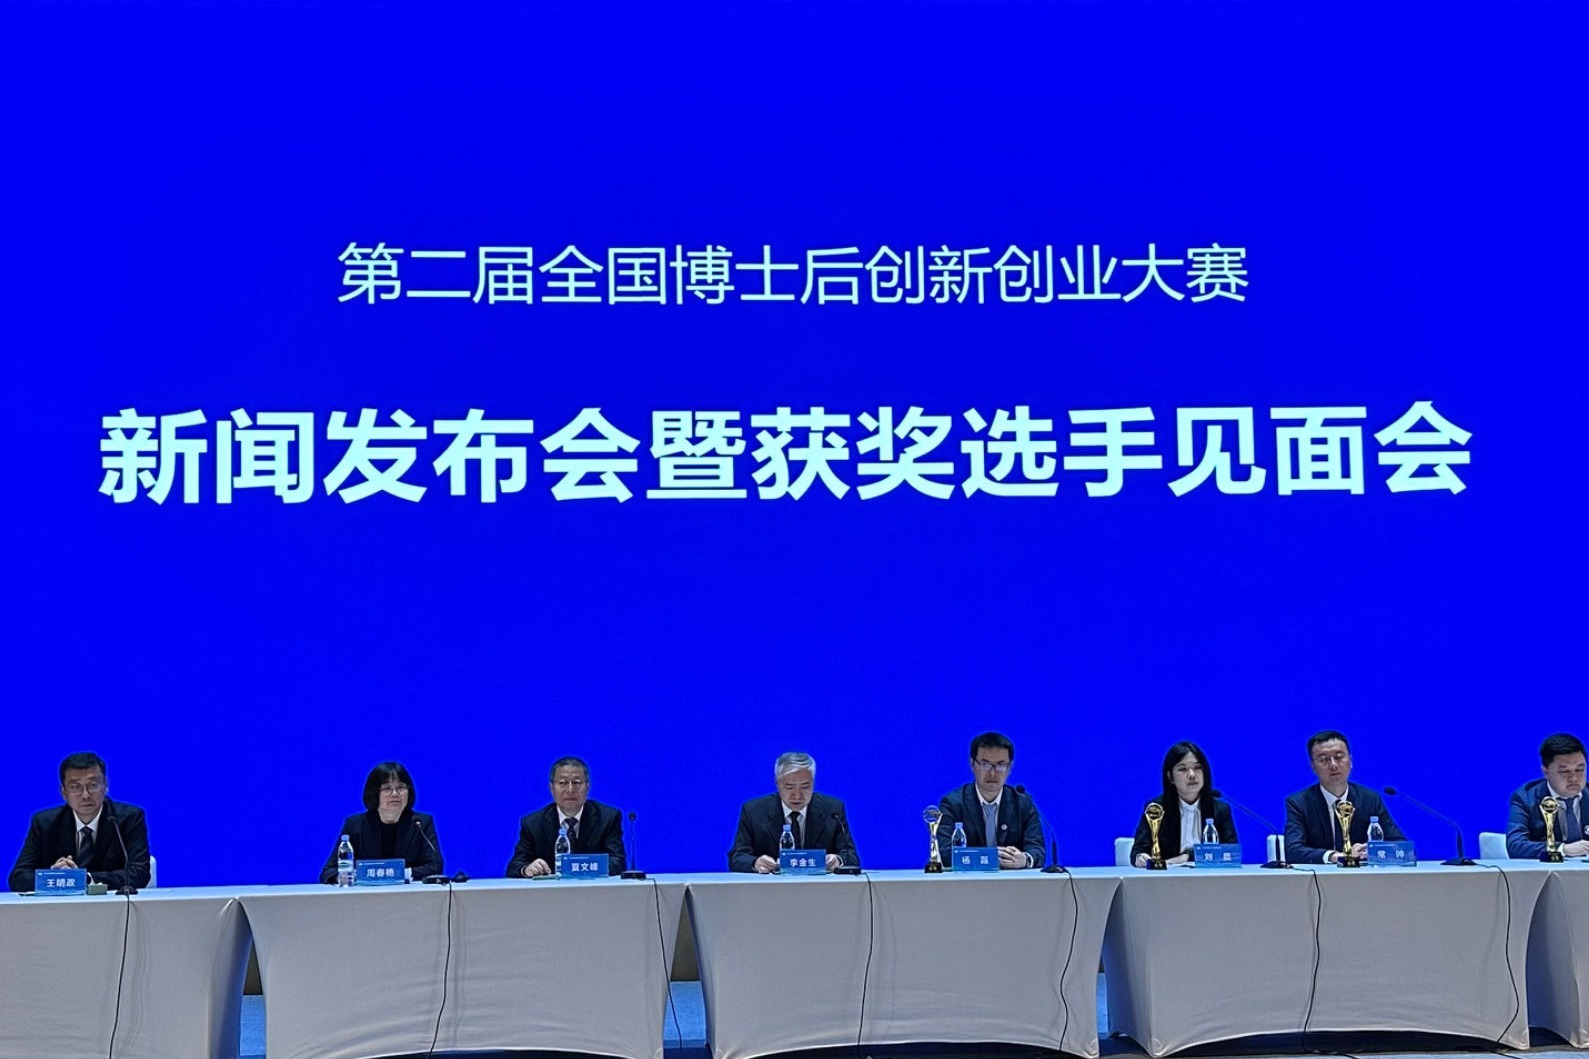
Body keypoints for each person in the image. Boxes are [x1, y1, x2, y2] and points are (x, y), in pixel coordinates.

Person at [7, 752, 151, 893]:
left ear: (106, 785)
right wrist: (53, 877)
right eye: (75, 787)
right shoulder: (45, 823)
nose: (86, 795)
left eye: (93, 785)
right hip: (61, 907)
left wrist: (83, 878)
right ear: (63, 792)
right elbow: (18, 878)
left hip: (112, 905)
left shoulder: (128, 818)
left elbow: (139, 873)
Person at [1284, 729, 1405, 864]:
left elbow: (1401, 847)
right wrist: (1333, 856)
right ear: (1313, 767)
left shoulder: (1370, 799)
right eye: (1323, 759)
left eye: (1339, 757)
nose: (1333, 765)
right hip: (1321, 875)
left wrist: (1371, 850)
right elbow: (1292, 851)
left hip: (1362, 875)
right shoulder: (1299, 803)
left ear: (1350, 761)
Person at [728, 751, 859, 873]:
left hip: (819, 887)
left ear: (813, 783)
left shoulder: (832, 809)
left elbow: (851, 856)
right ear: (777, 783)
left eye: (805, 786)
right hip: (771, 887)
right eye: (789, 787)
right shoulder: (754, 811)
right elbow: (737, 857)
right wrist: (755, 863)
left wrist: (837, 860)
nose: (797, 795)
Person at [935, 732, 1048, 868]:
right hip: (968, 880)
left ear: (1010, 768)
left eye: (1001, 765)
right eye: (985, 764)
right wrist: (990, 857)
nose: (993, 773)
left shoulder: (1023, 803)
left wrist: (1024, 859)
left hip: (1012, 880)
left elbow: (1037, 850)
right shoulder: (952, 803)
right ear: (972, 764)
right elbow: (945, 853)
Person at [319, 761, 443, 883]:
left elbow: (435, 866)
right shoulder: (355, 825)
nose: (395, 794)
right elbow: (329, 871)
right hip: (366, 894)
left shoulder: (420, 823)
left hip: (409, 894)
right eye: (387, 788)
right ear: (374, 793)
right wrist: (351, 877)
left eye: (401, 787)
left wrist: (400, 874)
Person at [506, 756, 626, 877]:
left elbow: (618, 863)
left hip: (593, 887)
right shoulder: (533, 823)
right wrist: (527, 869)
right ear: (551, 788)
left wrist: (579, 868)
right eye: (562, 783)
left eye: (577, 783)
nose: (570, 789)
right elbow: (514, 867)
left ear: (588, 787)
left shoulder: (607, 818)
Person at [1130, 740, 1237, 867]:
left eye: (1197, 768)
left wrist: (1187, 857)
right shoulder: (1156, 808)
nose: (1192, 775)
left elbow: (1231, 852)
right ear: (1170, 777)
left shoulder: (1220, 809)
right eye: (1183, 769)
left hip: (1208, 875)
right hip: (1168, 876)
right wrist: (1140, 857)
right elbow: (1138, 850)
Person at [1506, 732, 1589, 859]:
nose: (1574, 778)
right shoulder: (1526, 798)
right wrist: (1563, 849)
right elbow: (1516, 846)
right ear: (1546, 772)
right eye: (1564, 771)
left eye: (1579, 770)